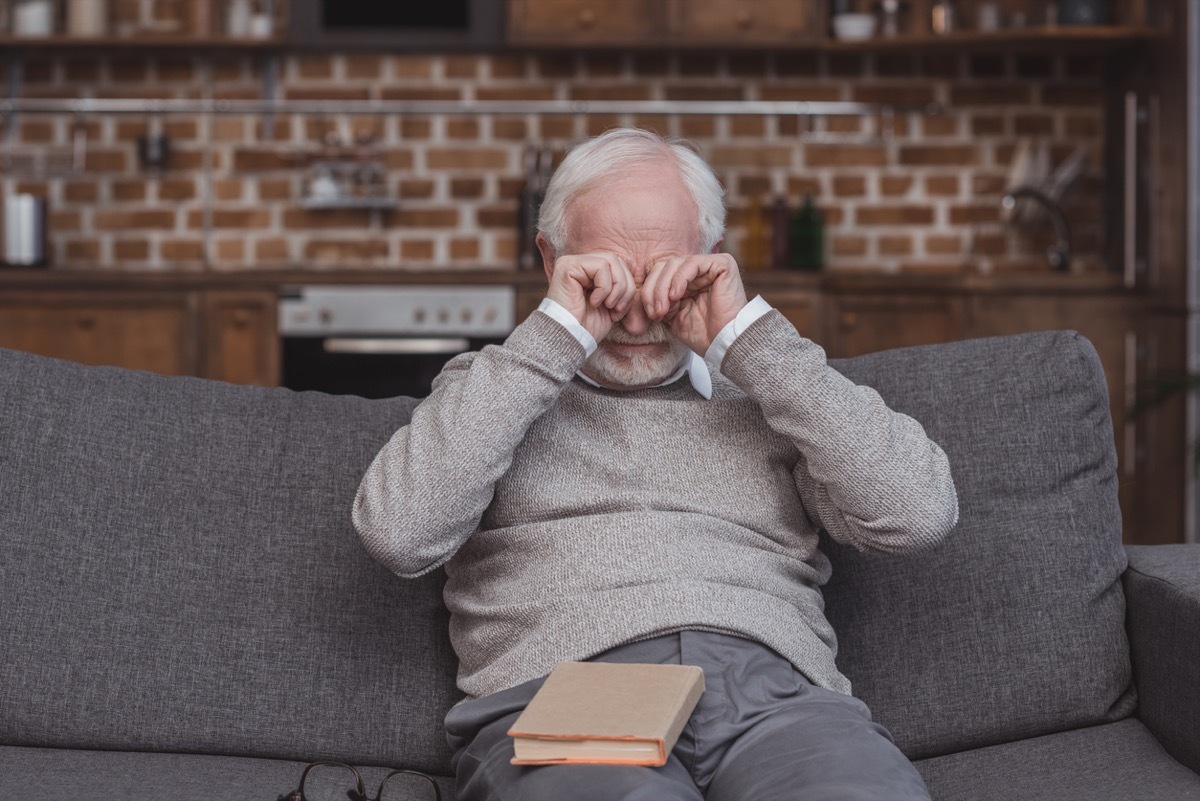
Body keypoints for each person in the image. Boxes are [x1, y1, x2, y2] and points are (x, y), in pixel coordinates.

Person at [353, 127, 959, 801]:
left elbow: (919, 513)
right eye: (605, 275)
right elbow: (397, 534)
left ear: (713, 259)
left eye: (663, 274)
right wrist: (552, 335)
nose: (638, 317)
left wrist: (751, 341)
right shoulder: (494, 391)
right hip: (568, 701)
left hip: (777, 700)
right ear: (550, 259)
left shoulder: (773, 391)